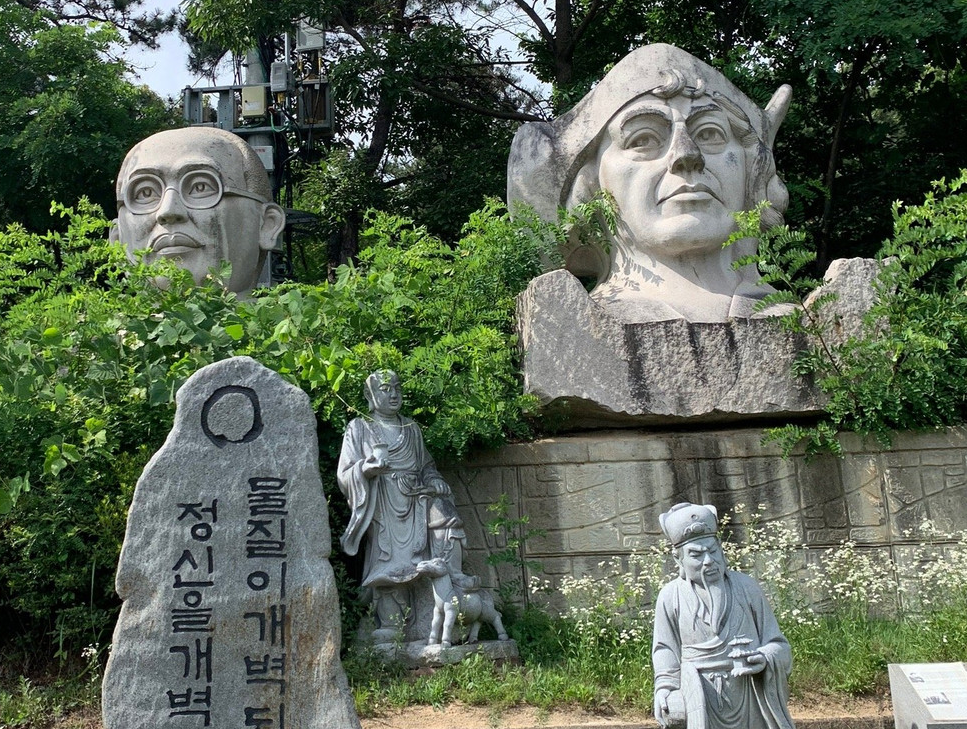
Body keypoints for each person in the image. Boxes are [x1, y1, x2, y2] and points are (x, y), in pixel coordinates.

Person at [508, 43, 793, 322]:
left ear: (753, 169)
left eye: (709, 133)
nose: (687, 155)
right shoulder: (569, 324)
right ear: (591, 182)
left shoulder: (806, 321)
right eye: (643, 139)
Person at [652, 503, 794, 729]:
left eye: (713, 551)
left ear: (720, 548)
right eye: (696, 555)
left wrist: (765, 658)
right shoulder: (670, 596)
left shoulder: (747, 588)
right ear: (678, 559)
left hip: (749, 695)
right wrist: (666, 689)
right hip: (700, 700)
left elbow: (778, 644)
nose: (708, 561)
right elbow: (665, 650)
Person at [337, 370, 453, 643]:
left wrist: (434, 480)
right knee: (386, 564)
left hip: (416, 502)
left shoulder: (411, 428)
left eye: (397, 388)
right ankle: (390, 624)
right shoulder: (359, 427)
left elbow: (426, 466)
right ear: (369, 396)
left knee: (424, 559)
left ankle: (427, 620)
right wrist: (366, 468)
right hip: (381, 505)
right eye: (385, 389)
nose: (393, 394)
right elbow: (344, 474)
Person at [110, 128, 286, 296]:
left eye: (200, 187)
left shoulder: (292, 326)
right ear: (117, 239)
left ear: (267, 225)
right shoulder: (93, 327)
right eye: (145, 193)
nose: (168, 211)